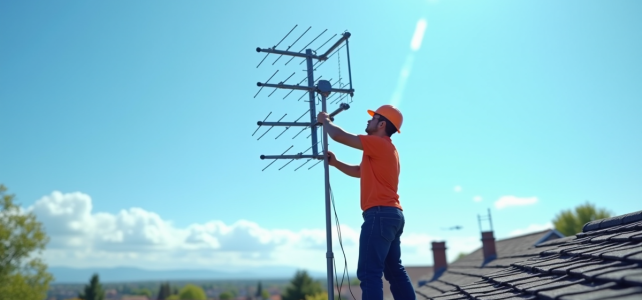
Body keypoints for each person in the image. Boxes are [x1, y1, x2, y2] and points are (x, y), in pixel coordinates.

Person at [316, 104, 415, 300]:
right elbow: (360, 172)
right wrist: (336, 163)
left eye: (373, 118)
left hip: (379, 215)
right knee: (394, 271)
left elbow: (339, 136)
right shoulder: (385, 149)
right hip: (392, 215)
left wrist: (325, 121)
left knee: (369, 273)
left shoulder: (379, 144)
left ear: (382, 124)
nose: (368, 120)